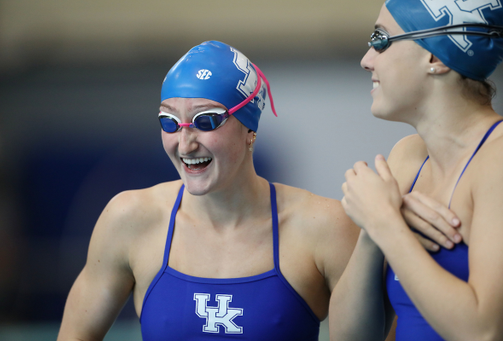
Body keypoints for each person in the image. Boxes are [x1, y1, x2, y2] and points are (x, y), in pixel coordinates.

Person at [56, 40, 360, 341]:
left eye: (206, 121)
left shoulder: (324, 227)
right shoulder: (131, 220)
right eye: (170, 122)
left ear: (249, 129)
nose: (185, 144)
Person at [330, 1, 503, 340]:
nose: (367, 59)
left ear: (435, 58)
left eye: (380, 39)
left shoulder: (496, 163)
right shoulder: (408, 158)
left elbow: (483, 331)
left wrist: (385, 222)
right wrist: (371, 234)